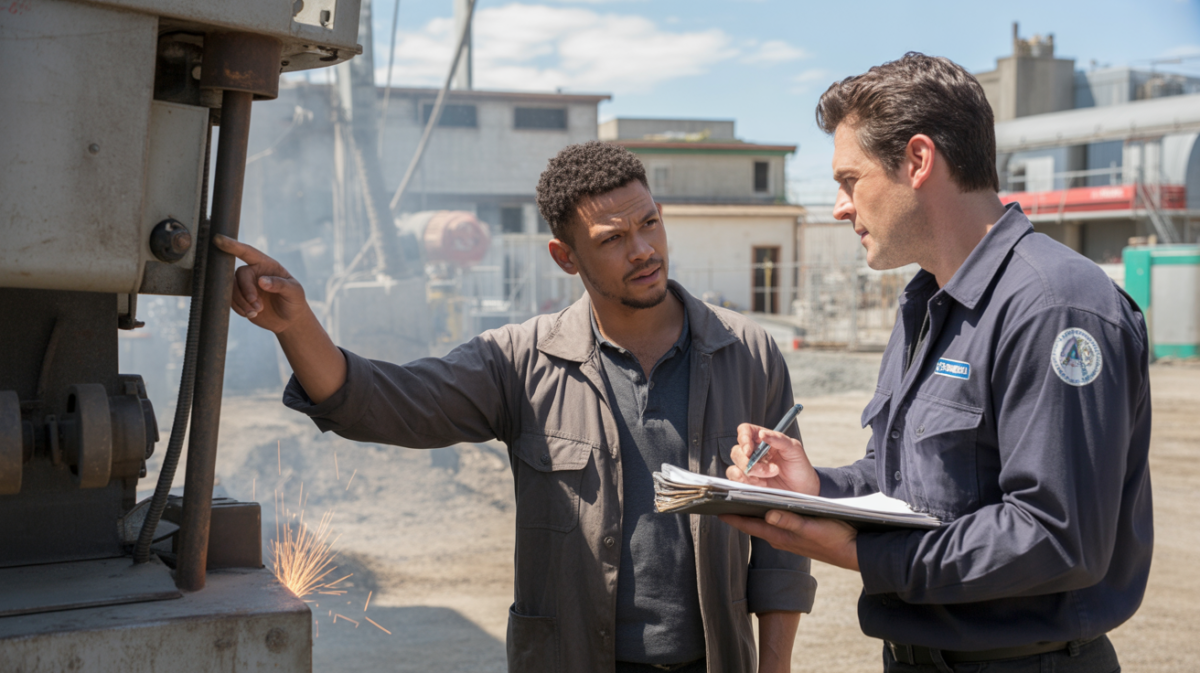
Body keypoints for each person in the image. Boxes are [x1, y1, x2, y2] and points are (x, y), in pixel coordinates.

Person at [214, 141, 816, 673]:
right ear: (565, 256)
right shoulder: (520, 362)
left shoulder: (748, 354)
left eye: (649, 224)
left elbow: (783, 532)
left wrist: (775, 665)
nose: (642, 250)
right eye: (612, 239)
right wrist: (296, 326)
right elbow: (384, 402)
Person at [719, 53, 1152, 673]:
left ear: (918, 161)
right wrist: (816, 489)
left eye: (850, 180)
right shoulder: (927, 302)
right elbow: (906, 484)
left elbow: (1055, 537)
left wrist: (862, 555)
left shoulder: (1054, 307)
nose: (840, 207)